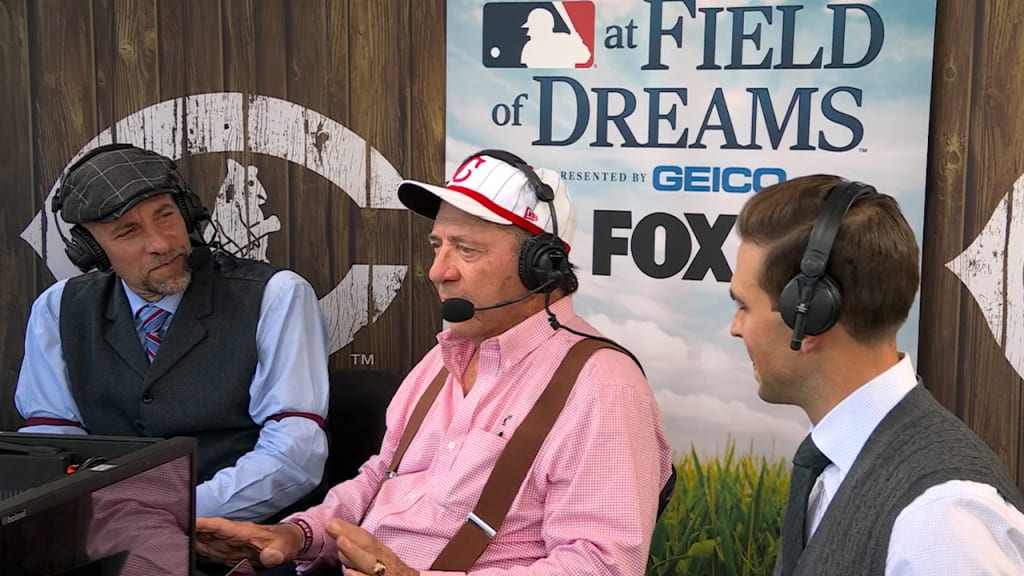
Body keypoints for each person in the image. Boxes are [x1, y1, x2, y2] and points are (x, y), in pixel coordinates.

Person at [194, 149, 673, 575]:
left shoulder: (603, 386)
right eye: (437, 246)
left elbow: (602, 563)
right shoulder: (440, 361)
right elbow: (379, 479)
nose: (437, 272)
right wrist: (299, 536)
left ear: (540, 267)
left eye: (466, 249)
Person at [14, 144, 330, 522]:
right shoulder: (57, 309)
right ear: (92, 250)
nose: (161, 243)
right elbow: (52, 444)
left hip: (232, 538)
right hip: (104, 537)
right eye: (128, 231)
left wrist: (173, 515)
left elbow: (296, 454)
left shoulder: (277, 295)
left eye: (166, 215)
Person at [728, 174, 1024, 575]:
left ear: (810, 317)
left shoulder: (941, 521)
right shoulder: (835, 465)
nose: (735, 327)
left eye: (745, 306)